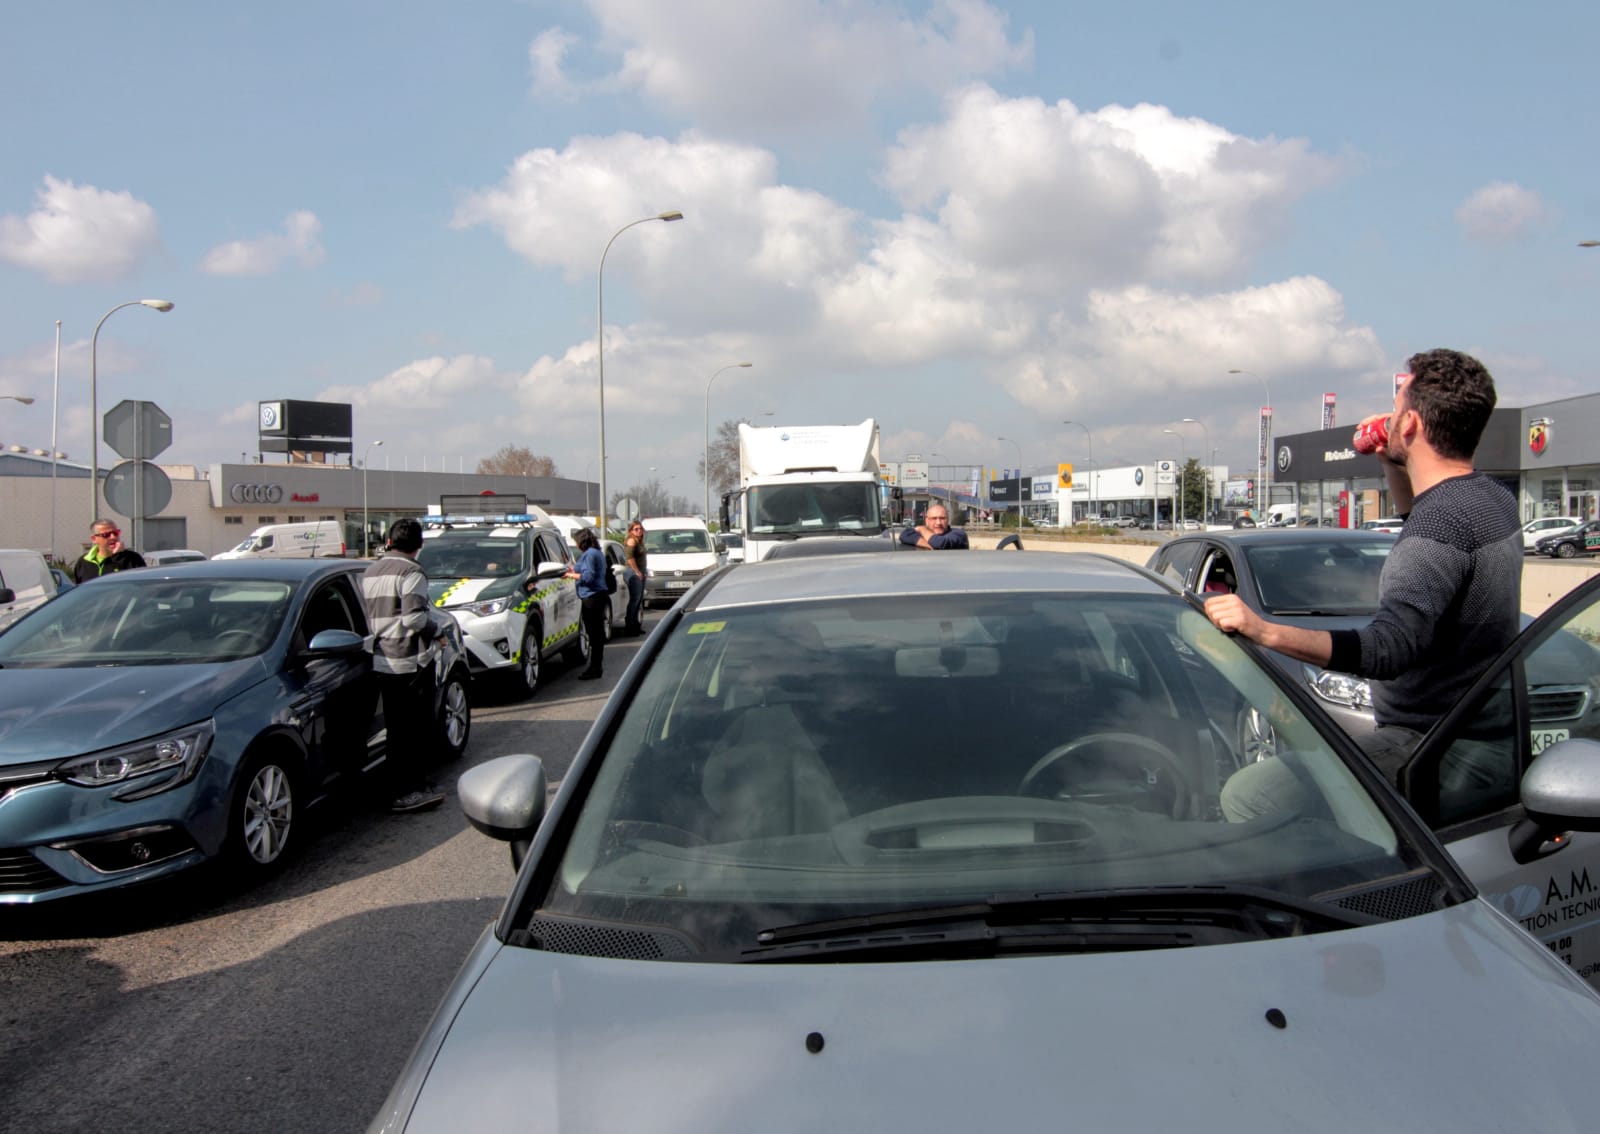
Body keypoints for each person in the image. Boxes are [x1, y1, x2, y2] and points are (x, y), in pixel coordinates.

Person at [1205, 348, 1521, 817]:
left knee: (1250, 794)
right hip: (1486, 733)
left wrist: (1263, 630)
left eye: (1395, 411)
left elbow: (1387, 650)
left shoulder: (1439, 527)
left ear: (1411, 425)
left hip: (1434, 743)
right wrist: (1392, 461)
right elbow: (1423, 517)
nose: (1387, 419)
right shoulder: (1491, 499)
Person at [360, 518, 445, 814]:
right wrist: (437, 631)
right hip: (410, 661)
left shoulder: (370, 571)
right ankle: (408, 792)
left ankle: (408, 787)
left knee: (397, 729)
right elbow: (414, 618)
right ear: (419, 544)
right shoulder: (412, 571)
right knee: (415, 729)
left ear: (390, 541)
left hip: (383, 659)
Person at [568, 527, 610, 680]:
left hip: (592, 597)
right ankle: (595, 666)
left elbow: (588, 577)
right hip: (597, 596)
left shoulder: (590, 554)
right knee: (596, 634)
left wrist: (571, 575)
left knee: (594, 635)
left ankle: (595, 667)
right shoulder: (595, 552)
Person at [72, 519, 146, 583]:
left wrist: (118, 556)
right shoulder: (83, 562)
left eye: (115, 533)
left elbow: (140, 584)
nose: (113, 537)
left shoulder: (132, 558)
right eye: (106, 535)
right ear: (94, 539)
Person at [900, 503, 970, 550]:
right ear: (927, 521)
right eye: (934, 518)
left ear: (948, 520)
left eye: (942, 518)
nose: (938, 523)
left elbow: (940, 543)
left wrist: (922, 530)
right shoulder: (921, 534)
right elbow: (904, 535)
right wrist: (929, 546)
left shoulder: (959, 534)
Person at [623, 520, 647, 636]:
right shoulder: (632, 541)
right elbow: (630, 558)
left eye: (640, 529)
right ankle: (630, 626)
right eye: (636, 529)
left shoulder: (639, 541)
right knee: (635, 599)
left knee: (639, 600)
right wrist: (637, 571)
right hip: (633, 573)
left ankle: (636, 625)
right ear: (631, 531)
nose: (639, 531)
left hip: (641, 571)